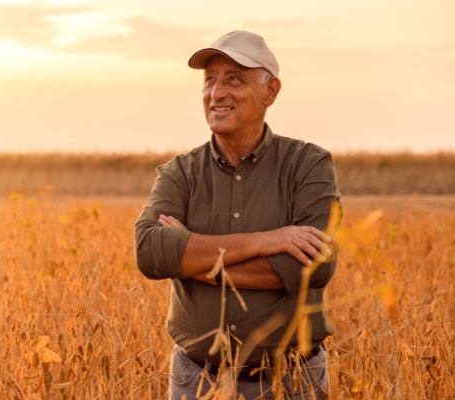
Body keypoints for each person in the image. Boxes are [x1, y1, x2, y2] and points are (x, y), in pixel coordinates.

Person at [133, 30, 340, 400]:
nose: (217, 92)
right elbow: (150, 252)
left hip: (290, 382)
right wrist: (266, 241)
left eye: (235, 79)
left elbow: (311, 268)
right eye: (210, 80)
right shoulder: (179, 172)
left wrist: (191, 259)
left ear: (271, 91)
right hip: (197, 379)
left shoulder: (308, 165)